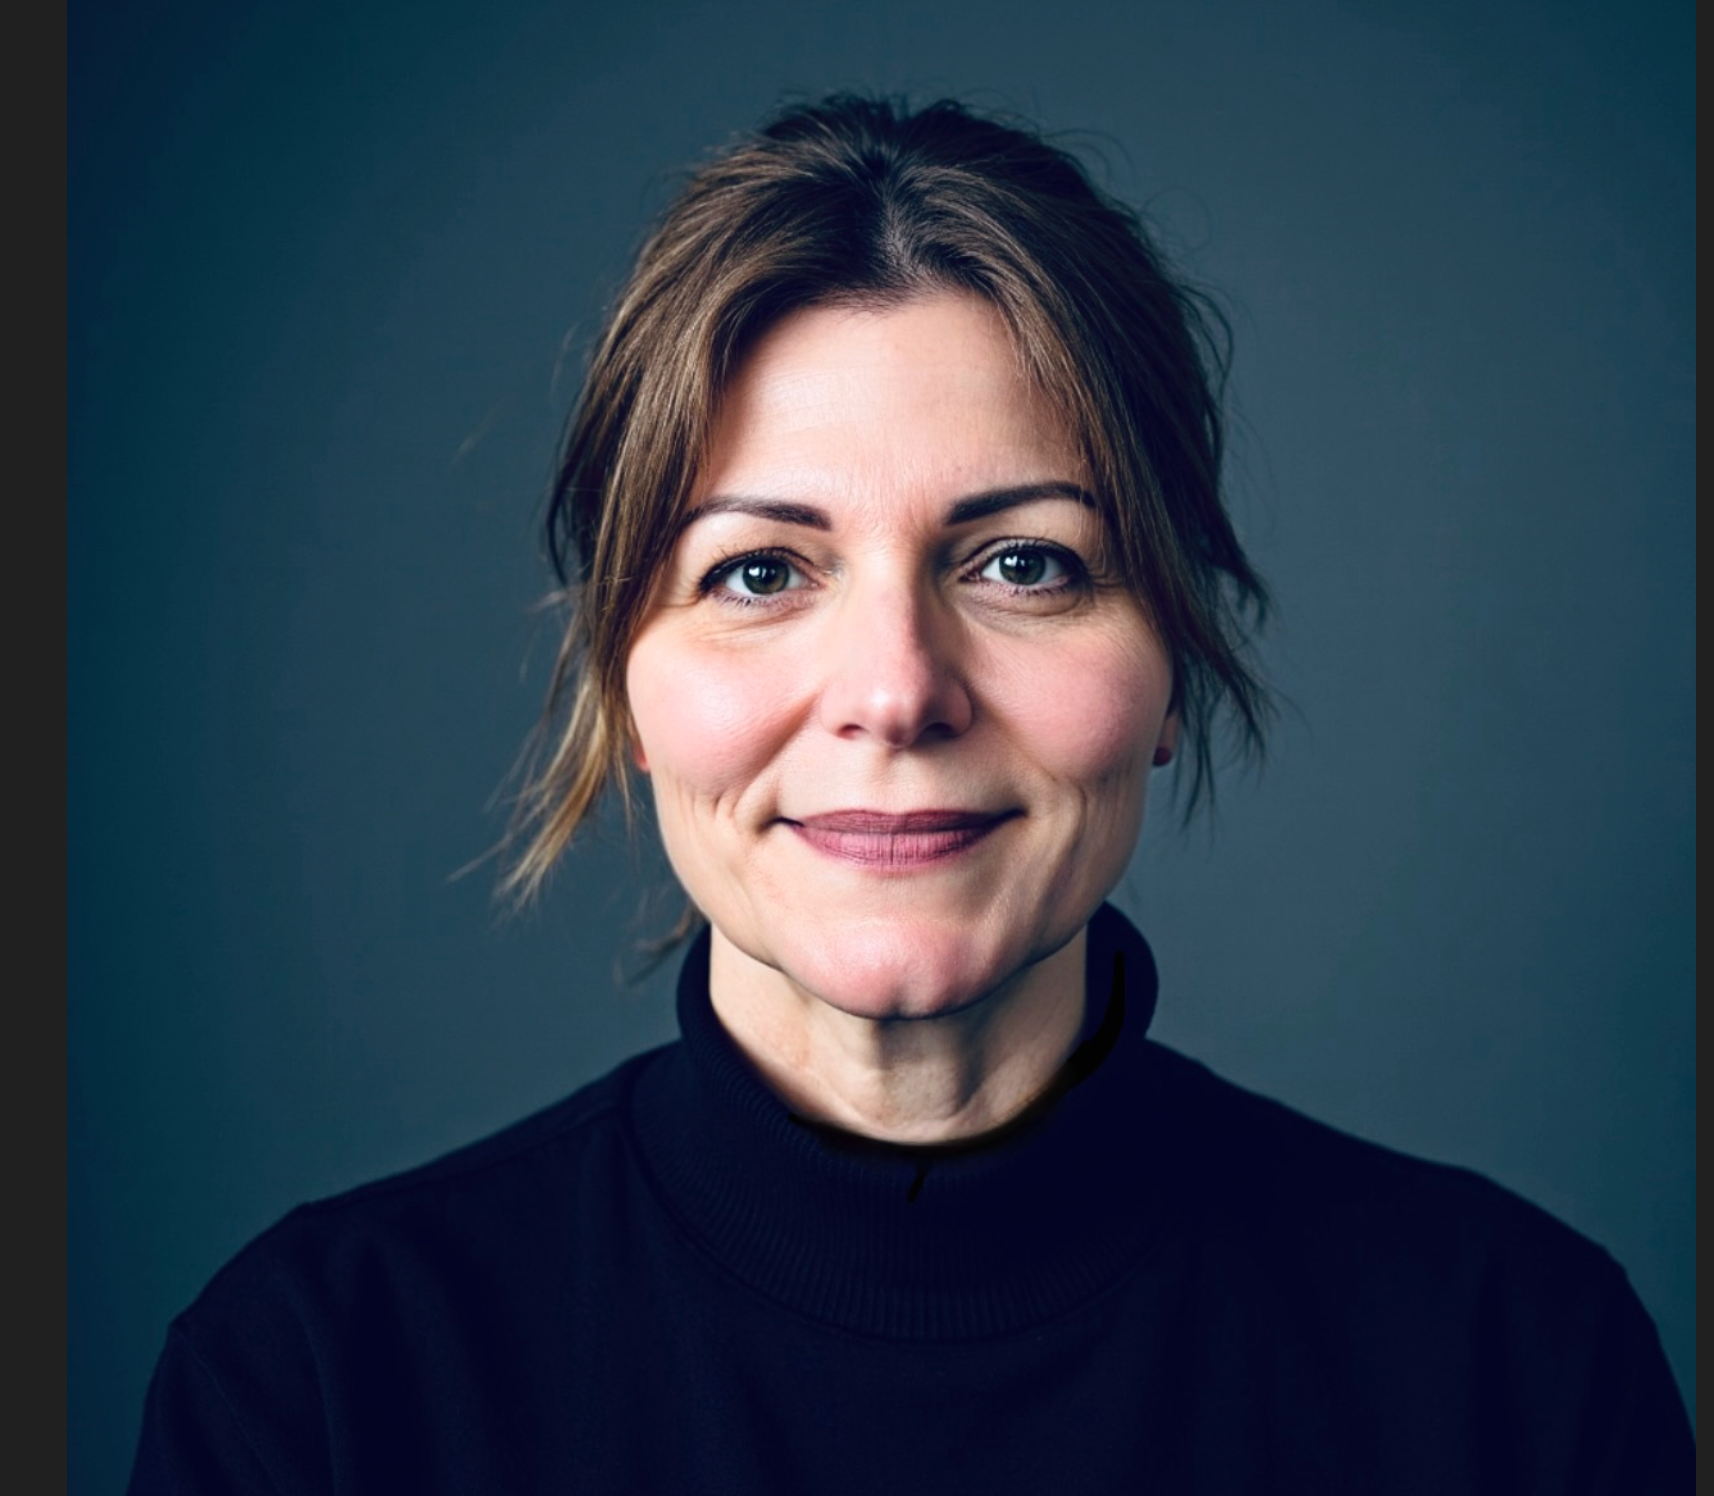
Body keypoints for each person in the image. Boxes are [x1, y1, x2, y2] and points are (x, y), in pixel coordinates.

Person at [128, 94, 1691, 1494]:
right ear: (621, 681)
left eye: (1023, 564)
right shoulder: (323, 1386)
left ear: (1169, 666)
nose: (894, 688)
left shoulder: (1510, 1371)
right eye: (755, 571)